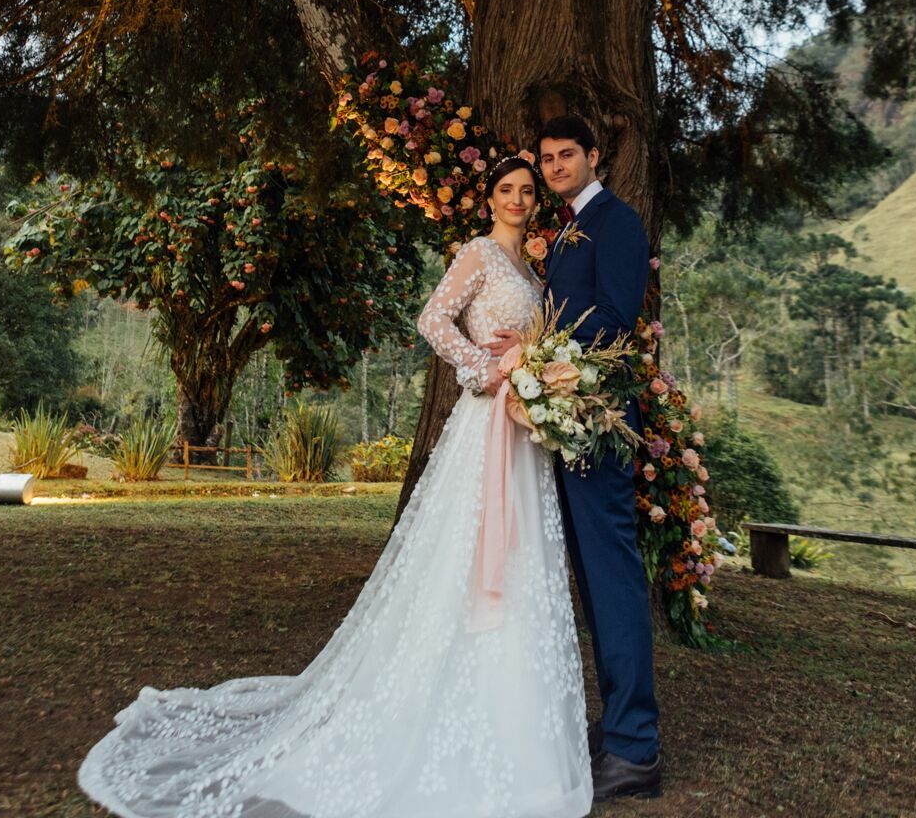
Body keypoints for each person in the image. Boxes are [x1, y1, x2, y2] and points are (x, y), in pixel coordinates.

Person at [77, 153, 593, 818]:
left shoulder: (532, 268)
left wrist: (536, 372)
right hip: (483, 424)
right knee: (460, 555)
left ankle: (514, 717)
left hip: (522, 432)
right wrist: (481, 366)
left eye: (526, 191)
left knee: (524, 555)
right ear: (488, 198)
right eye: (506, 190)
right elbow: (432, 320)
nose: (518, 200)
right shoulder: (478, 254)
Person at [485, 116, 662, 802]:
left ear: (593, 156)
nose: (556, 165)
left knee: (612, 578)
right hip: (570, 422)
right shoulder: (565, 231)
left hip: (599, 422)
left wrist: (535, 354)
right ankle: (617, 724)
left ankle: (636, 748)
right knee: (592, 581)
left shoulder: (615, 222)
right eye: (547, 158)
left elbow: (614, 320)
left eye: (567, 155)